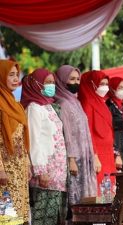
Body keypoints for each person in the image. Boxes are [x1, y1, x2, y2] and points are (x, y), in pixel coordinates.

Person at [21, 68, 68, 225]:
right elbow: (33, 141)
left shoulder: (48, 106)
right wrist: (41, 172)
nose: (51, 85)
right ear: (36, 84)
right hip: (45, 175)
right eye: (47, 82)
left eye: (53, 82)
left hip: (57, 175)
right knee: (43, 218)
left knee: (55, 218)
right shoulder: (34, 108)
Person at [54, 65, 97, 206]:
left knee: (87, 198)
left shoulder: (75, 102)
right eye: (71, 79)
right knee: (76, 199)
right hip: (75, 159)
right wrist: (71, 159)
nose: (76, 82)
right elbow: (67, 132)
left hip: (85, 157)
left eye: (78, 79)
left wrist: (93, 155)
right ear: (61, 81)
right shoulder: (63, 103)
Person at [0, 60, 30, 223]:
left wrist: (27, 164)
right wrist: (0, 169)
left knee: (20, 216)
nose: (15, 78)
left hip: (19, 169)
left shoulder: (17, 105)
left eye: (16, 75)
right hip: (4, 171)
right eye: (10, 75)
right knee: (7, 217)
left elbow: (22, 138)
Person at [78, 70, 115, 189]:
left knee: (110, 191)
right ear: (91, 84)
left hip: (108, 153)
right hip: (98, 154)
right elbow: (87, 131)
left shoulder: (101, 102)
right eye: (101, 84)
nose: (105, 87)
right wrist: (94, 156)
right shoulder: (87, 103)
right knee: (101, 191)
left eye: (106, 84)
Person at [106, 77, 123, 172]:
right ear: (112, 88)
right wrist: (116, 154)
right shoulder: (109, 106)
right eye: (120, 87)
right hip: (117, 150)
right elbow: (108, 131)